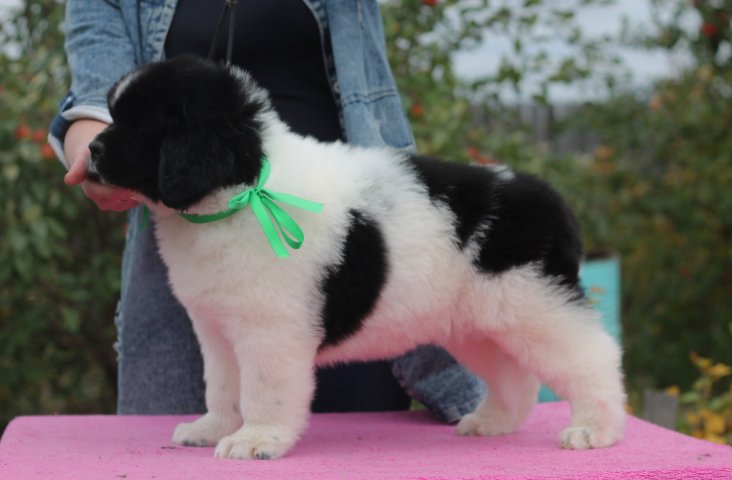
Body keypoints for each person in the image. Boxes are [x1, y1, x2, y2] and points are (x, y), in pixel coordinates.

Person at [49, 0, 486, 422]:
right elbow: (97, 97)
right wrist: (96, 153)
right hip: (190, 237)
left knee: (355, 470)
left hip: (344, 238)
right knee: (184, 479)